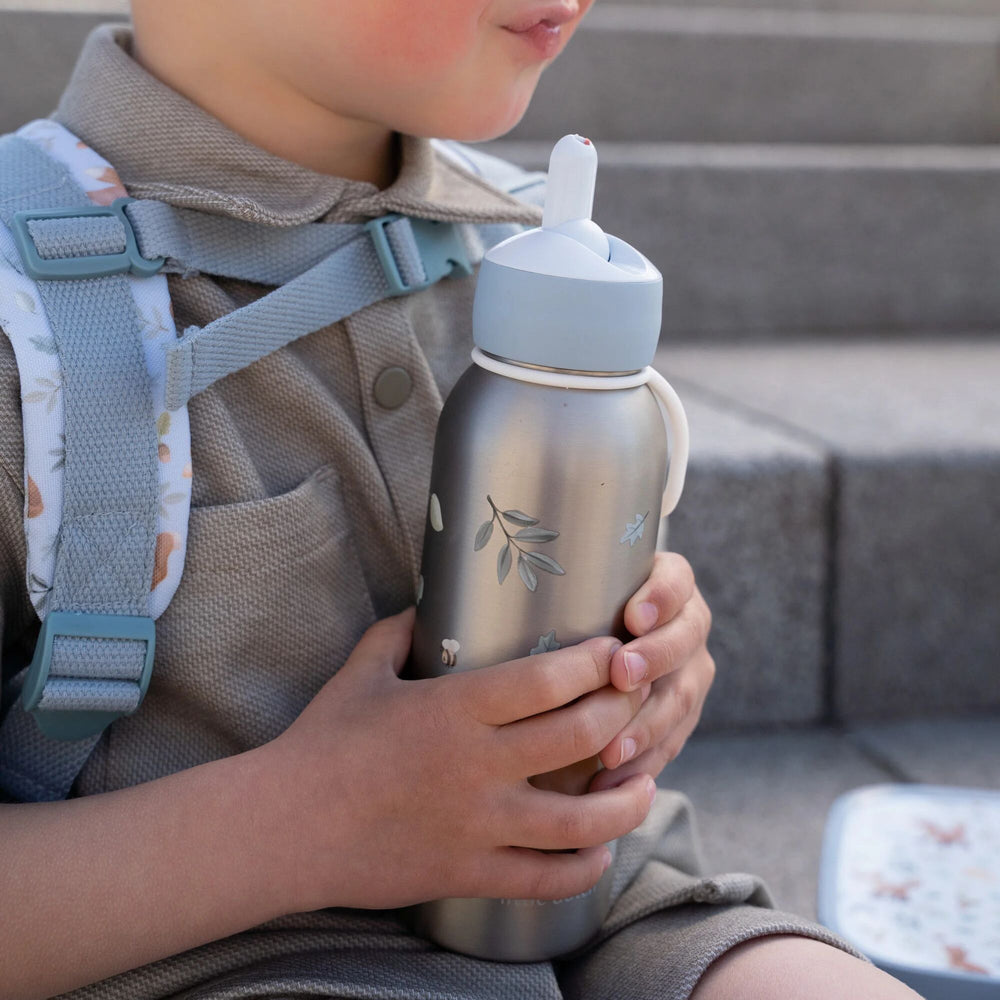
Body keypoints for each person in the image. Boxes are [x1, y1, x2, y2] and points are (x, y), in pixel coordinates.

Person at [0, 3, 921, 998]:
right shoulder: (31, 326)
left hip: (606, 902)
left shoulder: (516, 240)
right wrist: (306, 821)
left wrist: (644, 663)